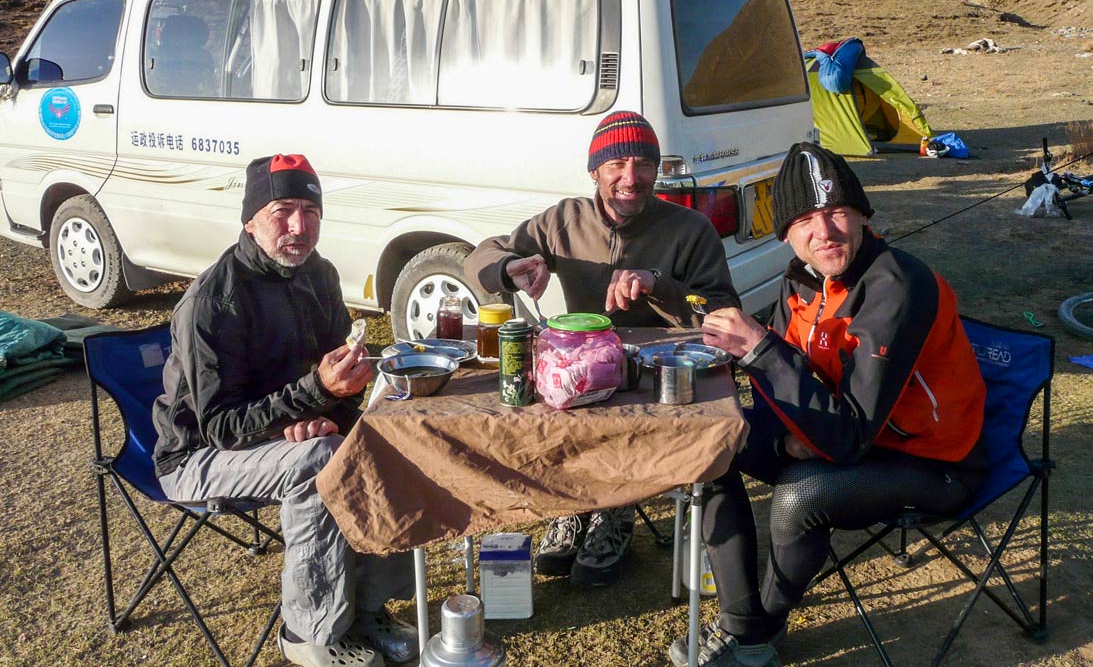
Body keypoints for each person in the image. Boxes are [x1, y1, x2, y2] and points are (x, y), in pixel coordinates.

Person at [666, 142, 988, 667]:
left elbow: (846, 438)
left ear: (862, 216)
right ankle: (744, 622)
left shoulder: (895, 287)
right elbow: (783, 394)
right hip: (850, 436)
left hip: (934, 463)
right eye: (807, 219)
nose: (826, 231)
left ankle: (756, 637)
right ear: (788, 234)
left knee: (801, 495)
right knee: (710, 443)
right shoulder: (801, 283)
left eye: (838, 212)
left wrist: (761, 351)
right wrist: (777, 426)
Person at [153, 154, 418, 667]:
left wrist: (331, 411)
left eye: (310, 210)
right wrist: (312, 396)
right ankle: (309, 633)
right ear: (250, 219)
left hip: (281, 437)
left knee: (386, 436)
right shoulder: (214, 299)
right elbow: (221, 426)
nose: (299, 226)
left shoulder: (319, 275)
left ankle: (367, 609)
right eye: (282, 210)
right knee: (319, 461)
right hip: (196, 456)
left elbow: (336, 383)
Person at [466, 110, 740, 586]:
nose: (630, 178)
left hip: (655, 374)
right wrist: (509, 267)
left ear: (657, 171)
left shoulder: (689, 228)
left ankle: (615, 514)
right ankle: (572, 508)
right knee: (549, 405)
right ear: (594, 171)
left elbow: (719, 306)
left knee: (624, 418)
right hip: (577, 366)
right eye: (616, 165)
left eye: (642, 165)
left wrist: (659, 285)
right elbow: (481, 255)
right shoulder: (563, 221)